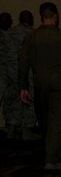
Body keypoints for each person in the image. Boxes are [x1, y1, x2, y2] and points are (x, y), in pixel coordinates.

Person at [17, 2, 61, 169]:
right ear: (56, 16)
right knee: (57, 120)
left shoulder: (31, 37)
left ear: (41, 17)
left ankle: (51, 150)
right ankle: (51, 158)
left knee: (44, 120)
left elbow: (22, 63)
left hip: (39, 82)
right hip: (59, 83)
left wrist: (23, 86)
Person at [4, 10, 38, 140]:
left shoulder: (9, 33)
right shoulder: (33, 34)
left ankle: (11, 129)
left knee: (15, 101)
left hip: (11, 73)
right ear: (31, 20)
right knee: (29, 100)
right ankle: (27, 130)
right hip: (27, 73)